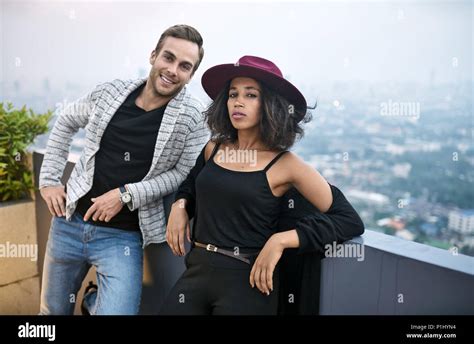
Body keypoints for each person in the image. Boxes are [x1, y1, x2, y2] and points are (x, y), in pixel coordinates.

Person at [160, 55, 364, 315]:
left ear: (270, 104)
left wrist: (281, 240)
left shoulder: (287, 165)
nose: (238, 102)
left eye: (251, 95)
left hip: (247, 282)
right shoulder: (214, 148)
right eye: (233, 94)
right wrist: (180, 205)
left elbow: (348, 219)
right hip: (195, 271)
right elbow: (192, 183)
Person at [38, 24, 209, 315]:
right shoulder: (110, 92)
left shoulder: (193, 117)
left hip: (123, 238)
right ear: (153, 55)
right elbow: (67, 120)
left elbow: (182, 173)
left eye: (184, 66)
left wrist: (126, 195)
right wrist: (49, 179)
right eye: (168, 57)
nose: (172, 70)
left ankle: (93, 303)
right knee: (51, 313)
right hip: (68, 221)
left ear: (191, 75)